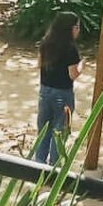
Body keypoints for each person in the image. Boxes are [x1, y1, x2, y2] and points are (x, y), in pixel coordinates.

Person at [34, 11, 82, 164]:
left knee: (43, 130)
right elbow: (73, 74)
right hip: (63, 93)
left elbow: (39, 64)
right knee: (59, 132)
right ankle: (54, 166)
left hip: (45, 91)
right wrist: (82, 66)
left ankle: (38, 163)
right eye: (77, 27)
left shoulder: (45, 43)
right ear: (70, 29)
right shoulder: (70, 49)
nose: (78, 31)